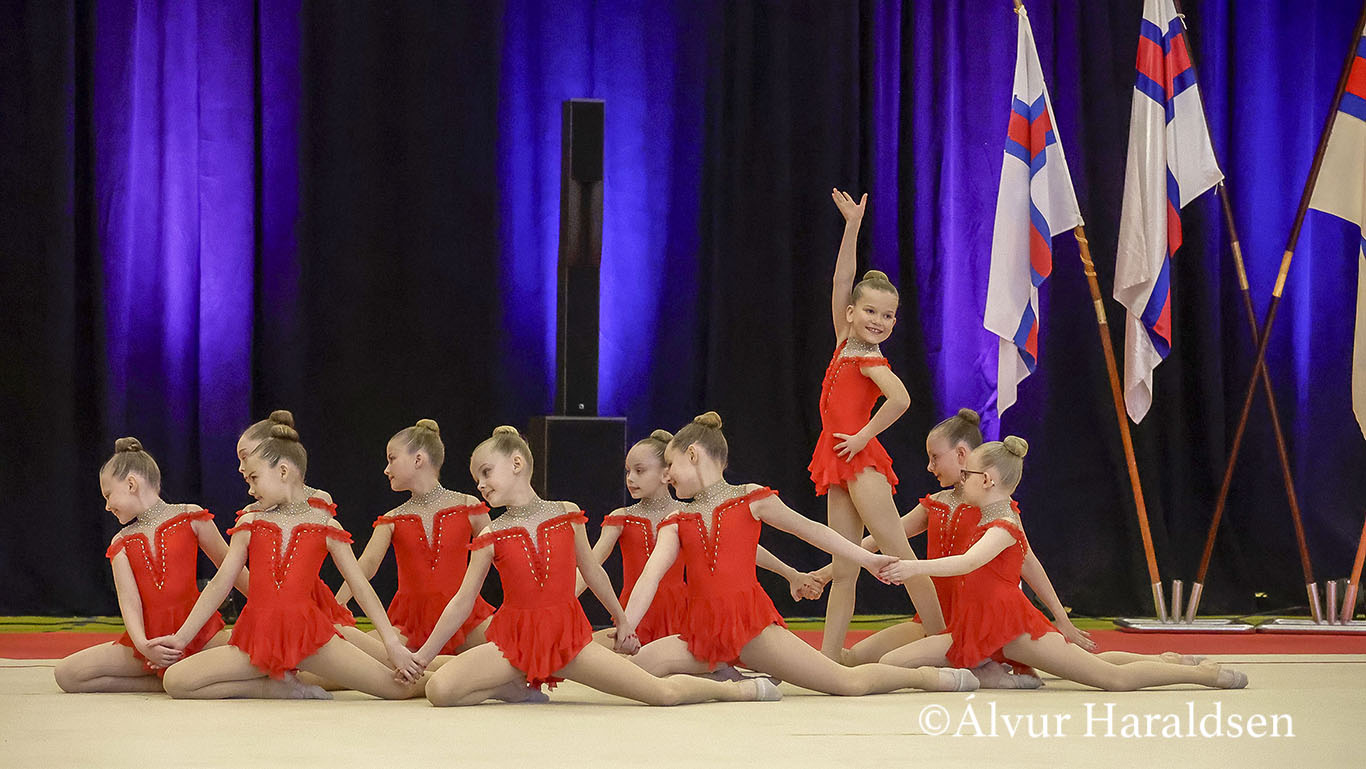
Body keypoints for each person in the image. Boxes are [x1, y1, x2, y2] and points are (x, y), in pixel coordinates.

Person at [406, 426, 782, 707]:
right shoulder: (492, 533)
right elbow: (462, 601)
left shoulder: (566, 515)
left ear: (517, 464)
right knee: (440, 690)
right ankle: (511, 688)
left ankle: (738, 690)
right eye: (477, 478)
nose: (481, 484)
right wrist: (423, 656)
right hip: (514, 643)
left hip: (570, 642)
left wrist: (623, 621)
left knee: (660, 694)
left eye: (486, 472)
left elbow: (593, 572)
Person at [615, 413, 977, 695]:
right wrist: (627, 625)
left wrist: (868, 559)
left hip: (753, 630)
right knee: (635, 670)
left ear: (693, 454)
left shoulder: (751, 498)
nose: (668, 477)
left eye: (671, 466)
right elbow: (650, 576)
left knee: (846, 683)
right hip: (701, 634)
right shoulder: (677, 520)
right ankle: (726, 677)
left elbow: (812, 530)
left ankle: (928, 678)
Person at [875, 437, 1247, 691]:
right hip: (973, 625)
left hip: (1011, 629)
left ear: (986, 480)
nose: (962, 480)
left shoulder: (1004, 525)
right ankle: (985, 672)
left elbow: (969, 563)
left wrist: (914, 568)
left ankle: (1202, 675)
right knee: (892, 661)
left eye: (967, 474)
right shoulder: (987, 517)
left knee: (1110, 678)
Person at [808, 189, 943, 658]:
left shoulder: (869, 357)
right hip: (838, 458)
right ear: (851, 313)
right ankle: (829, 658)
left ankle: (944, 636)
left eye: (888, 316)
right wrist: (852, 227)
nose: (879, 321)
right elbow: (842, 279)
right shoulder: (844, 340)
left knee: (898, 553)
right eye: (870, 311)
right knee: (844, 565)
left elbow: (901, 399)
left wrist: (864, 435)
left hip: (861, 460)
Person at [54, 438, 243, 693]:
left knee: (258, 655)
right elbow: (129, 602)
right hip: (150, 642)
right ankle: (165, 679)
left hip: (201, 634)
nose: (107, 506)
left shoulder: (190, 517)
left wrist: (265, 604)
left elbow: (232, 569)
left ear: (131, 484)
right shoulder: (121, 541)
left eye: (108, 495)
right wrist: (143, 645)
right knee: (67, 675)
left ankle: (177, 675)